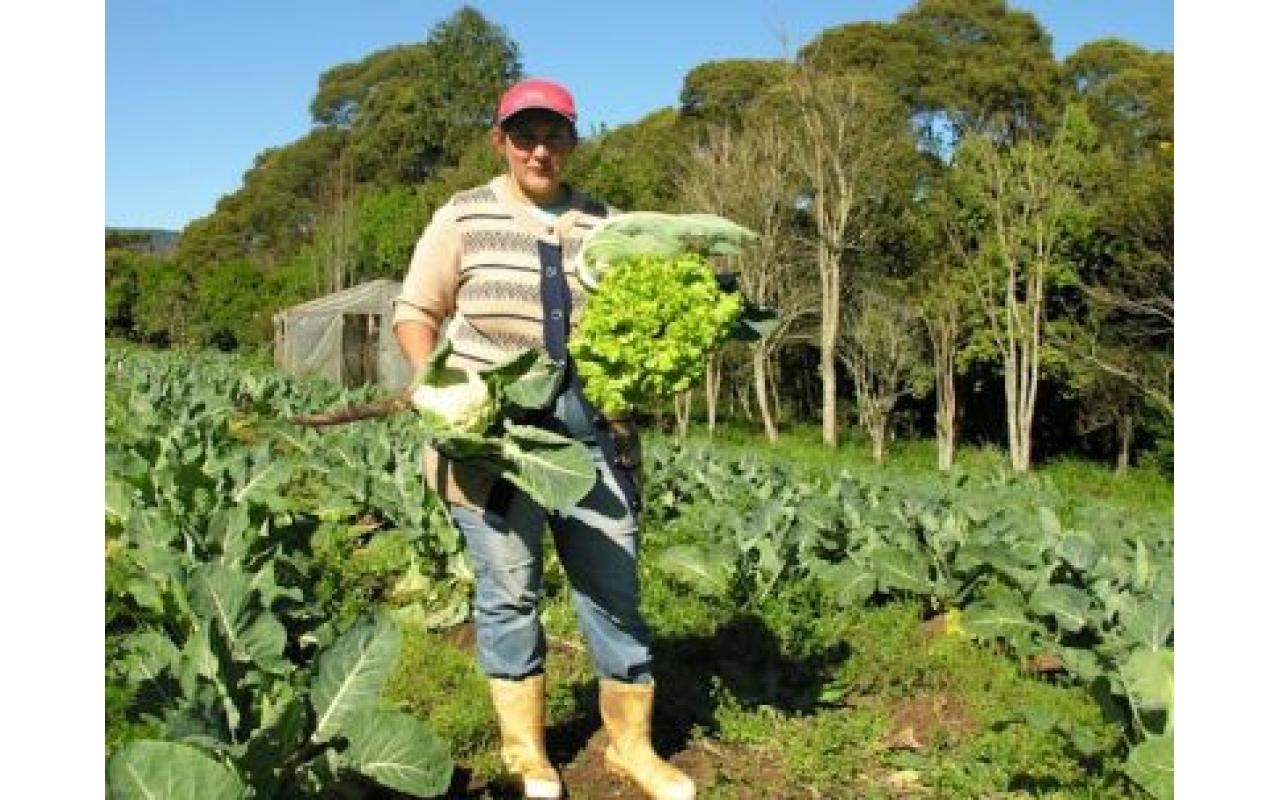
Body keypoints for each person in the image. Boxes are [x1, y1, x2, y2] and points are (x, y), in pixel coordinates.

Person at [392, 78, 695, 800]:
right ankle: (527, 752)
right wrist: (434, 383)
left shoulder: (607, 225)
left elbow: (642, 320)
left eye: (554, 134)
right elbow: (415, 311)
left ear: (573, 141)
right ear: (500, 141)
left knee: (613, 588)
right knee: (508, 591)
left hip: (594, 435)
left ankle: (630, 747)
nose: (540, 148)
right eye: (524, 134)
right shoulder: (462, 217)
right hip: (493, 440)